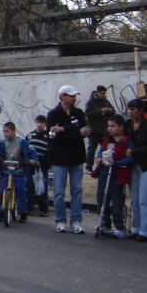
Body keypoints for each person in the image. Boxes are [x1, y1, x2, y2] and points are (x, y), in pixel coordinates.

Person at [47, 85, 91, 234]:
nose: (74, 98)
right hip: (59, 158)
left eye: (74, 96)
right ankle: (60, 219)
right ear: (63, 96)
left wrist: (64, 129)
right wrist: (75, 132)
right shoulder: (53, 114)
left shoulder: (78, 113)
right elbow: (56, 138)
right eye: (71, 96)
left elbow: (85, 131)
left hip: (76, 157)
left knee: (77, 190)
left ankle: (76, 220)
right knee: (59, 191)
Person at [124, 98, 147, 242]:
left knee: (144, 199)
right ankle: (135, 228)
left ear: (140, 110)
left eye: (133, 109)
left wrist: (134, 152)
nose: (131, 112)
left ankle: (146, 230)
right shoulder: (128, 125)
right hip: (134, 165)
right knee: (134, 199)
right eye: (129, 109)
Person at [94, 115, 134, 239]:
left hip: (117, 175)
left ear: (121, 127)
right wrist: (99, 157)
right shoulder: (107, 139)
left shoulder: (127, 140)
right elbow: (101, 150)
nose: (110, 129)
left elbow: (131, 158)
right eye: (109, 126)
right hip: (104, 173)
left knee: (117, 201)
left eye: (113, 126)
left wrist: (117, 163)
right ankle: (105, 223)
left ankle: (119, 226)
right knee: (101, 198)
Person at [0, 121, 38, 223]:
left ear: (14, 131)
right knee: (2, 191)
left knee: (21, 190)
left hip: (19, 171)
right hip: (6, 171)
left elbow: (32, 151)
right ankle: (2, 210)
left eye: (7, 131)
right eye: (4, 131)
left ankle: (23, 212)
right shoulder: (2, 143)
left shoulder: (22, 142)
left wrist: (33, 159)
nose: (5, 134)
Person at [85, 85, 115, 173]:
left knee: (106, 149)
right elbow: (88, 114)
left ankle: (105, 166)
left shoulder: (106, 101)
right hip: (94, 130)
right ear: (97, 93)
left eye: (104, 93)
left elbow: (113, 111)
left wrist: (110, 111)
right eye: (102, 93)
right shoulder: (90, 102)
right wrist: (100, 111)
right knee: (91, 150)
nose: (103, 95)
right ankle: (88, 167)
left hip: (104, 131)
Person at [25, 115, 50, 217]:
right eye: (38, 122)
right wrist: (30, 160)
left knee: (43, 188)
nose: (39, 124)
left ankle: (43, 209)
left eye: (42, 122)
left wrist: (42, 162)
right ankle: (29, 208)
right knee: (29, 187)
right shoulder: (30, 136)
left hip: (42, 167)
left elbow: (49, 153)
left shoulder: (48, 137)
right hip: (31, 166)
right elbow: (26, 150)